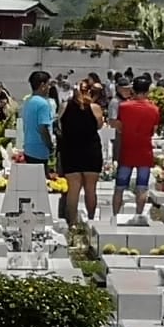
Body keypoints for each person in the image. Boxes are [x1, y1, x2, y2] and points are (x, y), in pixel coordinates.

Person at [112, 75, 161, 219]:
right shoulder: (154, 109)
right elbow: (154, 130)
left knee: (119, 187)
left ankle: (115, 216)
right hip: (145, 150)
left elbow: (119, 126)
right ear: (148, 91)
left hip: (127, 149)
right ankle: (138, 216)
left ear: (133, 89)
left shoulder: (124, 107)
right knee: (142, 186)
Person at [58, 80, 105, 224]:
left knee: (73, 190)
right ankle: (90, 221)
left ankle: (71, 223)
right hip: (91, 150)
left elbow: (59, 125)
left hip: (71, 150)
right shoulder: (95, 108)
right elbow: (99, 125)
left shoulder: (65, 106)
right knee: (91, 189)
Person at [22, 70, 55, 166]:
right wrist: (50, 145)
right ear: (42, 85)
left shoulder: (28, 101)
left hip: (28, 147)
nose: (49, 88)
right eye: (48, 85)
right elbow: (43, 128)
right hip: (40, 150)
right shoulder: (43, 104)